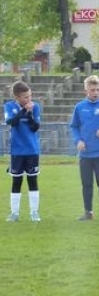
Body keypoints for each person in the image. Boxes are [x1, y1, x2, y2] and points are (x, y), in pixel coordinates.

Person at [69, 75, 99, 221]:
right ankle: (88, 212)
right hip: (85, 155)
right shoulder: (79, 107)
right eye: (92, 90)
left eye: (98, 90)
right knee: (86, 184)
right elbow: (74, 127)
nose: (95, 92)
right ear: (86, 90)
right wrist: (78, 141)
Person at [4, 81, 42, 222]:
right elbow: (11, 122)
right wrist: (23, 111)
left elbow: (35, 127)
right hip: (17, 151)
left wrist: (30, 113)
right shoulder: (9, 106)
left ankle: (34, 212)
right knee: (16, 181)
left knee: (33, 180)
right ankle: (14, 213)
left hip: (32, 150)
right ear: (17, 97)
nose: (29, 100)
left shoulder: (35, 107)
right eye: (25, 97)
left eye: (30, 96)